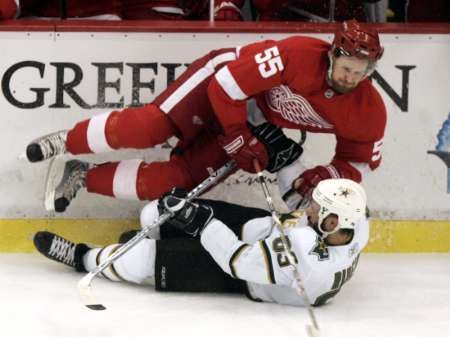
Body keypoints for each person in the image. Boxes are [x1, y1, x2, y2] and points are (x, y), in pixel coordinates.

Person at [25, 19, 386, 213]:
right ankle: (65, 141)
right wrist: (234, 135)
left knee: (173, 183)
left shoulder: (368, 110)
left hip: (252, 121)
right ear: (333, 53)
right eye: (347, 68)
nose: (350, 78)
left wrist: (327, 175)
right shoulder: (296, 54)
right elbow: (226, 85)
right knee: (151, 127)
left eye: (360, 72)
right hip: (219, 81)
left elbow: (361, 162)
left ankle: (81, 176)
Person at [33, 178, 369, 306]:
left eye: (315, 208)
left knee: (144, 259)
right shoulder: (355, 223)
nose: (307, 208)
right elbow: (298, 226)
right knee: (156, 215)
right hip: (262, 230)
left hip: (246, 277)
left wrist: (202, 223)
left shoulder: (304, 259)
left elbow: (237, 261)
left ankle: (83, 257)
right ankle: (136, 244)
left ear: (332, 221)